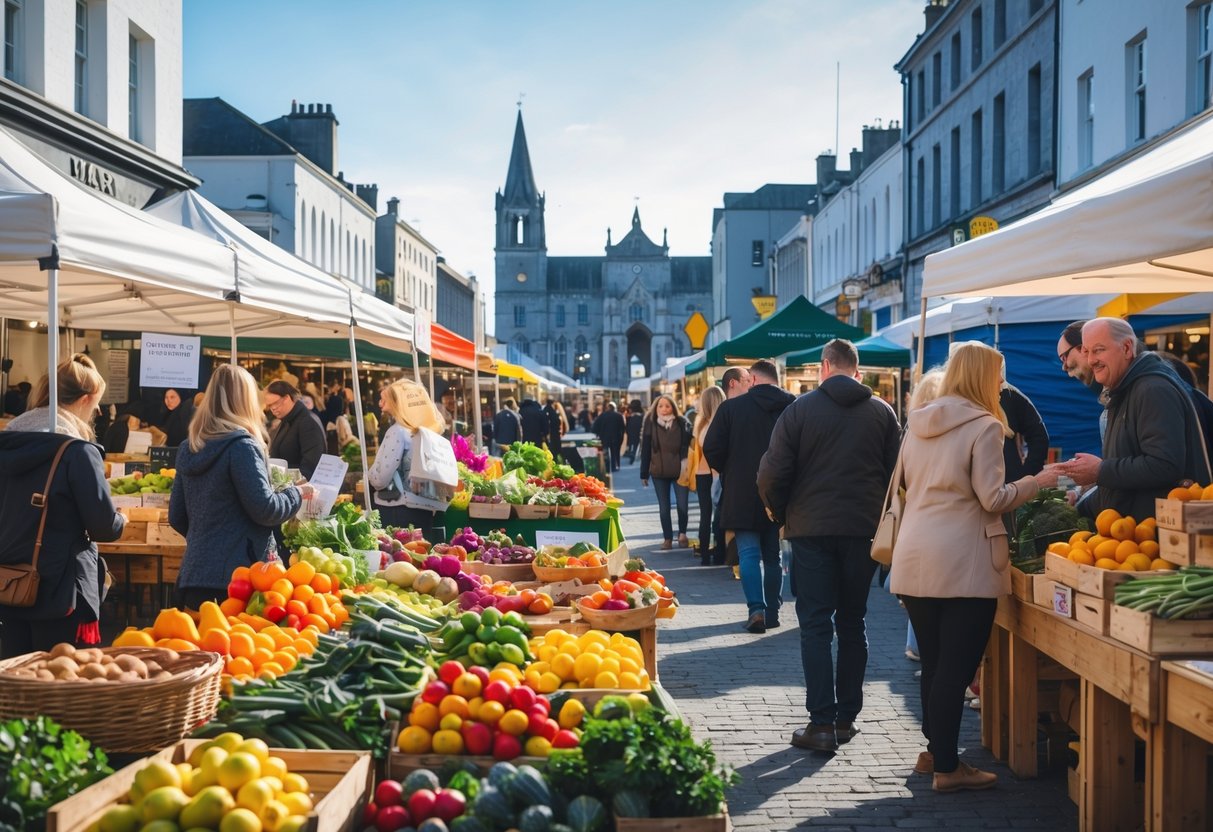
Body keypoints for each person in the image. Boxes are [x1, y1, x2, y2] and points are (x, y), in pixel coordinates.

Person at [890, 342, 1060, 792]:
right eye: (998, 375)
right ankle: (948, 766)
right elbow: (993, 498)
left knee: (933, 664)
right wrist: (1035, 481)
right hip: (963, 560)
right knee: (956, 669)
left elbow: (906, 486)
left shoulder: (918, 422)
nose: (1002, 384)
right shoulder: (985, 426)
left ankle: (934, 753)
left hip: (914, 555)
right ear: (983, 376)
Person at [757, 340, 901, 752]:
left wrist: (780, 512)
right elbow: (897, 476)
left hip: (811, 530)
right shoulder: (882, 413)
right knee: (854, 622)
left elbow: (771, 473)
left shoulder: (799, 411)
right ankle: (845, 719)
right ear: (857, 370)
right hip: (862, 531)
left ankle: (820, 722)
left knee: (816, 624)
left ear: (824, 367)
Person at [0, 355, 124, 657]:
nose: (95, 412)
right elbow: (103, 526)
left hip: (8, 584)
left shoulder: (7, 442)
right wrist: (121, 519)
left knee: (16, 687)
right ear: (84, 399)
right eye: (95, 405)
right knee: (60, 689)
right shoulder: (77, 451)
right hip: (61, 591)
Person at [169, 365, 303, 609]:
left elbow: (176, 516)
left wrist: (208, 539)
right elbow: (266, 510)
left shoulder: (189, 447)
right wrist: (297, 493)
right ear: (246, 401)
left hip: (194, 575)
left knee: (199, 646)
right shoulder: (242, 446)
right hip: (239, 580)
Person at [1056, 318, 1211, 520]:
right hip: (1134, 534)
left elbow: (1164, 465)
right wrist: (1080, 505)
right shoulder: (1124, 391)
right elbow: (1127, 470)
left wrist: (1100, 470)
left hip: (1159, 534)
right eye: (1087, 351)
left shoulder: (1153, 390)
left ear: (1127, 348)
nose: (1092, 360)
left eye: (1099, 350)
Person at [703, 359, 795, 632]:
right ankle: (774, 611)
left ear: (753, 379)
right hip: (779, 491)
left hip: (742, 490)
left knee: (748, 553)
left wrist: (730, 469)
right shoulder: (793, 406)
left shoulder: (731, 408)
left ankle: (756, 609)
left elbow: (712, 447)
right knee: (773, 555)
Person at [368, 379, 448, 538]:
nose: (379, 403)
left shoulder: (397, 431)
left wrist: (369, 474)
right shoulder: (424, 430)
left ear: (398, 403)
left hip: (399, 508)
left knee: (402, 556)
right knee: (421, 553)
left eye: (384, 399)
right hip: (424, 507)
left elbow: (381, 478)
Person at [640, 395, 693, 550]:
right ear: (656, 408)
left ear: (673, 407)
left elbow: (689, 445)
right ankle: (667, 538)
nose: (664, 409)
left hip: (680, 470)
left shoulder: (682, 423)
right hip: (659, 472)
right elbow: (645, 451)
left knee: (683, 505)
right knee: (664, 507)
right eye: (660, 406)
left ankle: (682, 533)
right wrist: (644, 473)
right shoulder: (651, 424)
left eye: (667, 406)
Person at [265, 380, 327, 480]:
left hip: (301, 490)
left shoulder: (307, 422)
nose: (273, 408)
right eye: (270, 405)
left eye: (275, 403)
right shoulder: (287, 420)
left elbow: (310, 466)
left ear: (287, 398)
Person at [692, 385, 726, 564]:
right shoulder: (719, 425)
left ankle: (705, 553)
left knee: (705, 516)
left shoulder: (701, 425)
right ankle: (719, 553)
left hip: (701, 473)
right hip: (715, 475)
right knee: (719, 515)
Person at [1000, 382, 1049, 481]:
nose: (1001, 379)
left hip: (1010, 484)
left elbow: (1039, 436)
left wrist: (1027, 475)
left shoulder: (1009, 394)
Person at [592, 401, 627, 472]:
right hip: (616, 438)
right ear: (615, 408)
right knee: (615, 452)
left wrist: (598, 434)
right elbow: (623, 428)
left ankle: (607, 467)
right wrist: (621, 438)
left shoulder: (602, 415)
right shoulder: (619, 416)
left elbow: (595, 427)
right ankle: (616, 466)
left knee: (606, 453)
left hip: (604, 437)